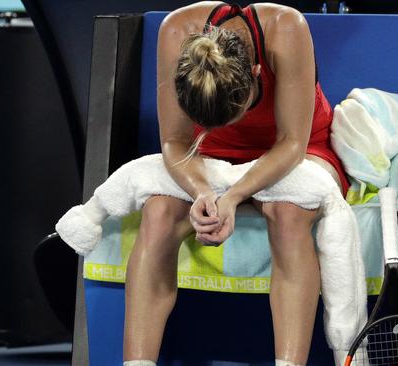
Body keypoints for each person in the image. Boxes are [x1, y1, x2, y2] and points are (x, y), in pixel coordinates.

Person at [124, 2, 349, 365]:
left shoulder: (286, 28)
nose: (229, 127)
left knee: (288, 213)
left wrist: (234, 195)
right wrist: (202, 191)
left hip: (300, 146)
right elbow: (175, 142)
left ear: (258, 72)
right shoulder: (176, 31)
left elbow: (291, 141)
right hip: (208, 155)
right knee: (159, 213)